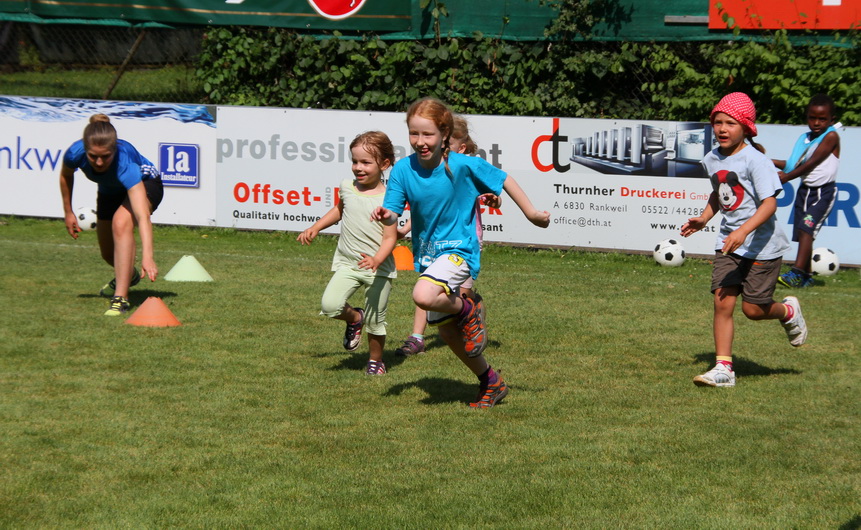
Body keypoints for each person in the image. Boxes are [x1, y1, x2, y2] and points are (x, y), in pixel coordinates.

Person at [372, 97, 550, 408]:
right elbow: (393, 210)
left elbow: (503, 179)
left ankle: (469, 308)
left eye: (428, 134)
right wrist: (386, 215)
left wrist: (532, 213)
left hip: (460, 250)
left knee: (423, 295)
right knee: (449, 334)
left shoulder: (463, 164)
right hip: (428, 255)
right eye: (414, 133)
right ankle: (491, 382)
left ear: (444, 134)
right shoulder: (403, 170)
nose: (420, 141)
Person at [680, 92, 808, 388]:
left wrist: (744, 231)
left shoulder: (756, 160)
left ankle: (788, 311)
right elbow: (719, 193)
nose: (722, 129)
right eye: (718, 122)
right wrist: (704, 218)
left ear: (747, 127)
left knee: (753, 310)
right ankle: (724, 369)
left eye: (730, 123)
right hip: (728, 244)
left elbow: (770, 204)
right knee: (722, 302)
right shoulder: (711, 159)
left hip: (763, 247)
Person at [393, 115, 500, 357]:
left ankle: (471, 311)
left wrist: (495, 199)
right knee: (428, 286)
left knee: (460, 295)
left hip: (464, 242)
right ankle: (417, 337)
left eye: (446, 143)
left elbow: (496, 192)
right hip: (434, 241)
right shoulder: (429, 170)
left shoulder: (465, 168)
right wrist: (404, 229)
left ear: (460, 147)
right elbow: (427, 211)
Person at [298, 131, 398, 375]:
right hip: (349, 264)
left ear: (384, 164)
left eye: (366, 162)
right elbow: (339, 210)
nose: (358, 167)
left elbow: (390, 237)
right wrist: (316, 227)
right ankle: (355, 318)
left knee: (376, 320)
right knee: (330, 305)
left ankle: (375, 361)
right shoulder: (346, 186)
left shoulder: (390, 199)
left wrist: (377, 259)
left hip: (378, 269)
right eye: (355, 161)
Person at [59, 114, 163, 316]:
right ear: (85, 149)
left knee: (121, 223)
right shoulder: (74, 153)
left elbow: (142, 216)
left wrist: (147, 256)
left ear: (114, 150)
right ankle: (129, 275)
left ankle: (120, 298)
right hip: (109, 191)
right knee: (108, 254)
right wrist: (68, 211)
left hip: (147, 184)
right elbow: (66, 175)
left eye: (105, 156)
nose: (99, 162)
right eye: (93, 156)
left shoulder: (126, 164)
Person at [772, 93, 841, 288]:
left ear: (832, 120)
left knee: (806, 228)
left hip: (822, 193)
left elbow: (811, 164)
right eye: (812, 118)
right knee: (803, 233)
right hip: (805, 192)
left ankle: (796, 272)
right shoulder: (805, 139)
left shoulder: (831, 137)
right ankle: (807, 276)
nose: (817, 123)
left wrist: (786, 177)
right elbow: (792, 164)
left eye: (822, 119)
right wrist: (767, 161)